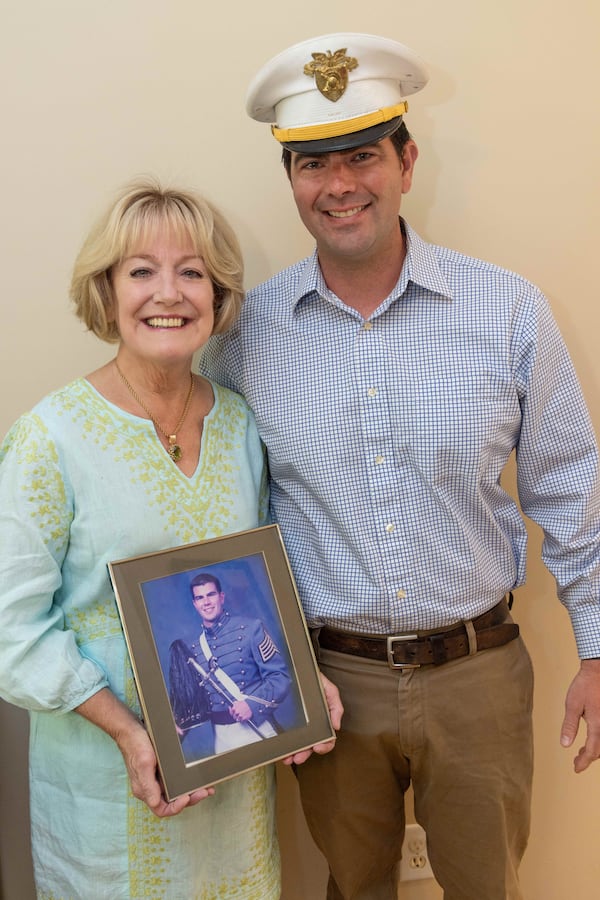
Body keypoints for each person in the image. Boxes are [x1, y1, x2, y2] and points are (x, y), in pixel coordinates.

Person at [199, 31, 600, 900]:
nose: (339, 185)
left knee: (489, 884)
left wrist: (599, 651)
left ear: (407, 161)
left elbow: (572, 490)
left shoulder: (507, 310)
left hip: (480, 675)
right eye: (313, 163)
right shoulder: (242, 339)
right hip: (324, 685)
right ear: (291, 180)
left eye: (363, 155)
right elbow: (209, 509)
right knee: (352, 886)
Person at [0, 177, 342, 899]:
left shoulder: (240, 425)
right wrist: (130, 732)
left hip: (233, 784)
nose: (169, 293)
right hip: (109, 790)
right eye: (141, 271)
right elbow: (11, 631)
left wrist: (296, 686)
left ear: (217, 299)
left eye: (192, 273)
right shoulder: (48, 439)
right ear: (107, 289)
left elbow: (261, 592)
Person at [169, 571, 292, 758]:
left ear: (221, 597)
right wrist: (179, 725)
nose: (206, 602)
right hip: (221, 740)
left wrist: (251, 705)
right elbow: (193, 702)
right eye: (200, 598)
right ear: (195, 604)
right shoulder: (192, 649)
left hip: (258, 730)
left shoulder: (251, 629)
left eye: (211, 595)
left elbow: (280, 678)